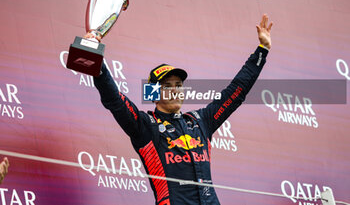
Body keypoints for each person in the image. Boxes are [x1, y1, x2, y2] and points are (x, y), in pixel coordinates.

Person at [88, 14, 273, 205]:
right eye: (168, 86)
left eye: (178, 85)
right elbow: (115, 100)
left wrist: (262, 51)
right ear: (153, 93)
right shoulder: (145, 126)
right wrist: (96, 59)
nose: (175, 90)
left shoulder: (200, 121)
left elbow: (236, 93)